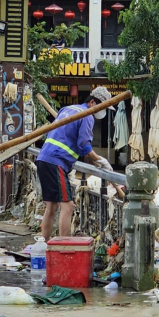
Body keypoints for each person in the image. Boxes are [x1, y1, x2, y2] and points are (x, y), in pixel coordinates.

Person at [36, 86, 114, 241]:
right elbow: (84, 146)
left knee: (51, 207)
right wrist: (100, 160)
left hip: (43, 158)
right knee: (68, 206)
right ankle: (64, 247)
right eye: (102, 107)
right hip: (56, 161)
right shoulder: (87, 116)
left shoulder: (68, 109)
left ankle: (44, 245)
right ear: (92, 102)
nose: (103, 112)